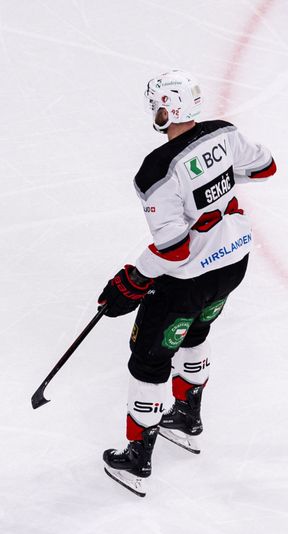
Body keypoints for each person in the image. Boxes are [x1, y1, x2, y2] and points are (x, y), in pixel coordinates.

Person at [97, 70, 276, 495]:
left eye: (156, 106)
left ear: (167, 109)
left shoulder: (156, 170)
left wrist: (135, 276)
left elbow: (175, 250)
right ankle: (186, 417)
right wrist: (221, 179)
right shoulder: (223, 133)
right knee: (195, 331)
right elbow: (265, 167)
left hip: (187, 281)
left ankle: (137, 459)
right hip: (232, 263)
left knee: (149, 360)